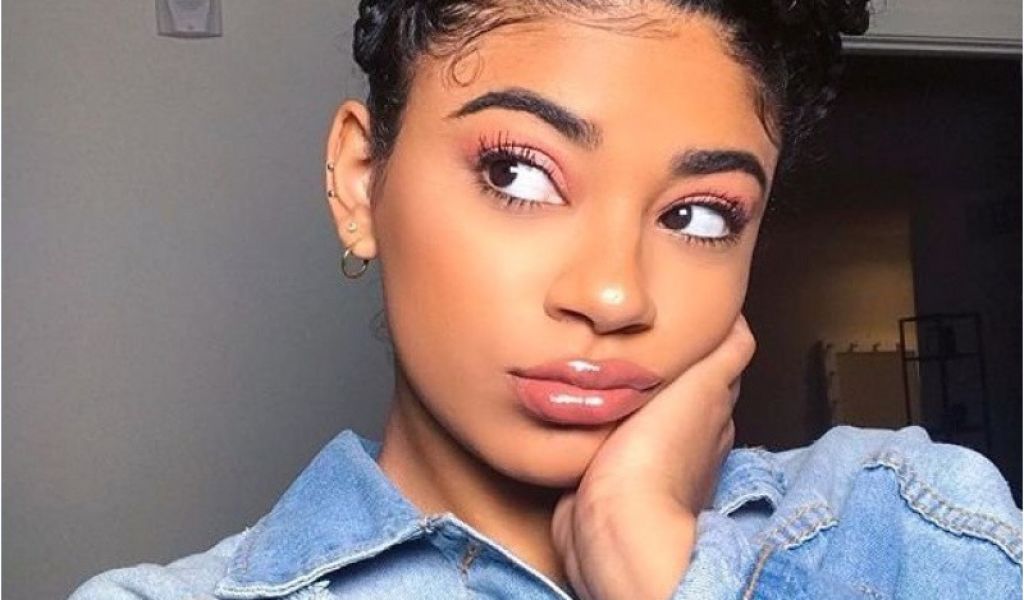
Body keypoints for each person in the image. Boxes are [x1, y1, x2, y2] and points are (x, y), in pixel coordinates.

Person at [70, 1, 1022, 599]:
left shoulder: (909, 527)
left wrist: (647, 562)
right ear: (361, 182)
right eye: (518, 174)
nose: (612, 294)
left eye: (698, 215)